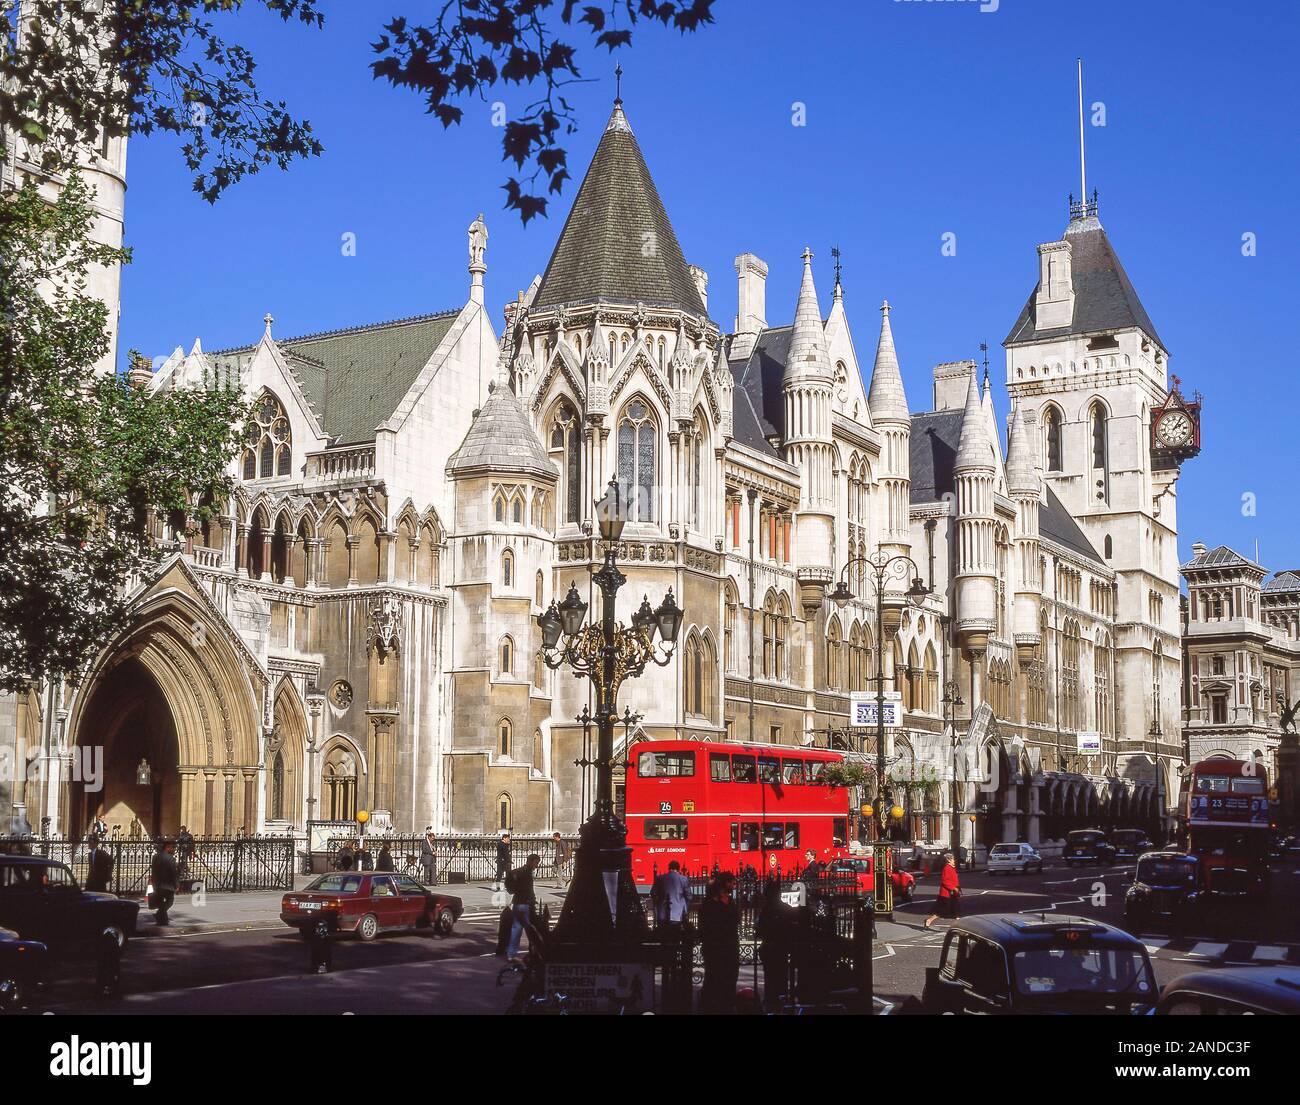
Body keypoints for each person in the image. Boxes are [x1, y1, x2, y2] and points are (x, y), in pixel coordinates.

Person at [698, 872, 741, 1014]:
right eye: (731, 883)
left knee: (729, 980)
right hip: (716, 948)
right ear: (724, 884)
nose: (733, 886)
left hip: (729, 947)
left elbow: (736, 919)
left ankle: (726, 1006)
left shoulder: (730, 902)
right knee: (714, 979)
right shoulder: (710, 904)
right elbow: (706, 926)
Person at [756, 877, 794, 1011]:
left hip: (771, 948)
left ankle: (771, 1001)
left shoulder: (766, 911)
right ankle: (781, 1000)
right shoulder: (786, 909)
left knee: (770, 977)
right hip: (781, 948)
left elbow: (759, 930)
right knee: (781, 977)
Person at [504, 853, 541, 961]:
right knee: (531, 930)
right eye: (536, 863)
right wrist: (532, 900)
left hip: (516, 903)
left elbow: (512, 886)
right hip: (525, 904)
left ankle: (511, 954)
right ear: (531, 861)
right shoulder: (527, 873)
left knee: (516, 928)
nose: (536, 865)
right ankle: (533, 951)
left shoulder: (518, 871)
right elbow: (528, 890)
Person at [650, 860, 692, 934]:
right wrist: (685, 908)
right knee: (675, 938)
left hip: (662, 915)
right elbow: (689, 897)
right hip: (678, 915)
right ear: (678, 869)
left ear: (669, 868)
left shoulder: (660, 878)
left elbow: (653, 893)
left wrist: (658, 904)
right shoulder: (684, 879)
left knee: (663, 939)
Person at [924, 851, 960, 929]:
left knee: (955, 911)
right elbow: (945, 881)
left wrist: (957, 889)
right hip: (947, 894)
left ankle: (958, 927)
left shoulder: (951, 868)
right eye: (953, 859)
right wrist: (953, 888)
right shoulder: (947, 868)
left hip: (953, 893)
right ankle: (929, 920)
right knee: (942, 911)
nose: (954, 860)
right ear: (949, 860)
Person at [150, 840, 179, 926]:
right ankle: (159, 915)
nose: (174, 850)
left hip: (158, 884)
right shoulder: (171, 858)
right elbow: (173, 872)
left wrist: (153, 881)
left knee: (160, 902)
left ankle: (162, 920)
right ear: (168, 847)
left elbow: (153, 870)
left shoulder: (155, 857)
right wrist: (176, 885)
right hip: (168, 885)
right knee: (170, 901)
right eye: (173, 848)